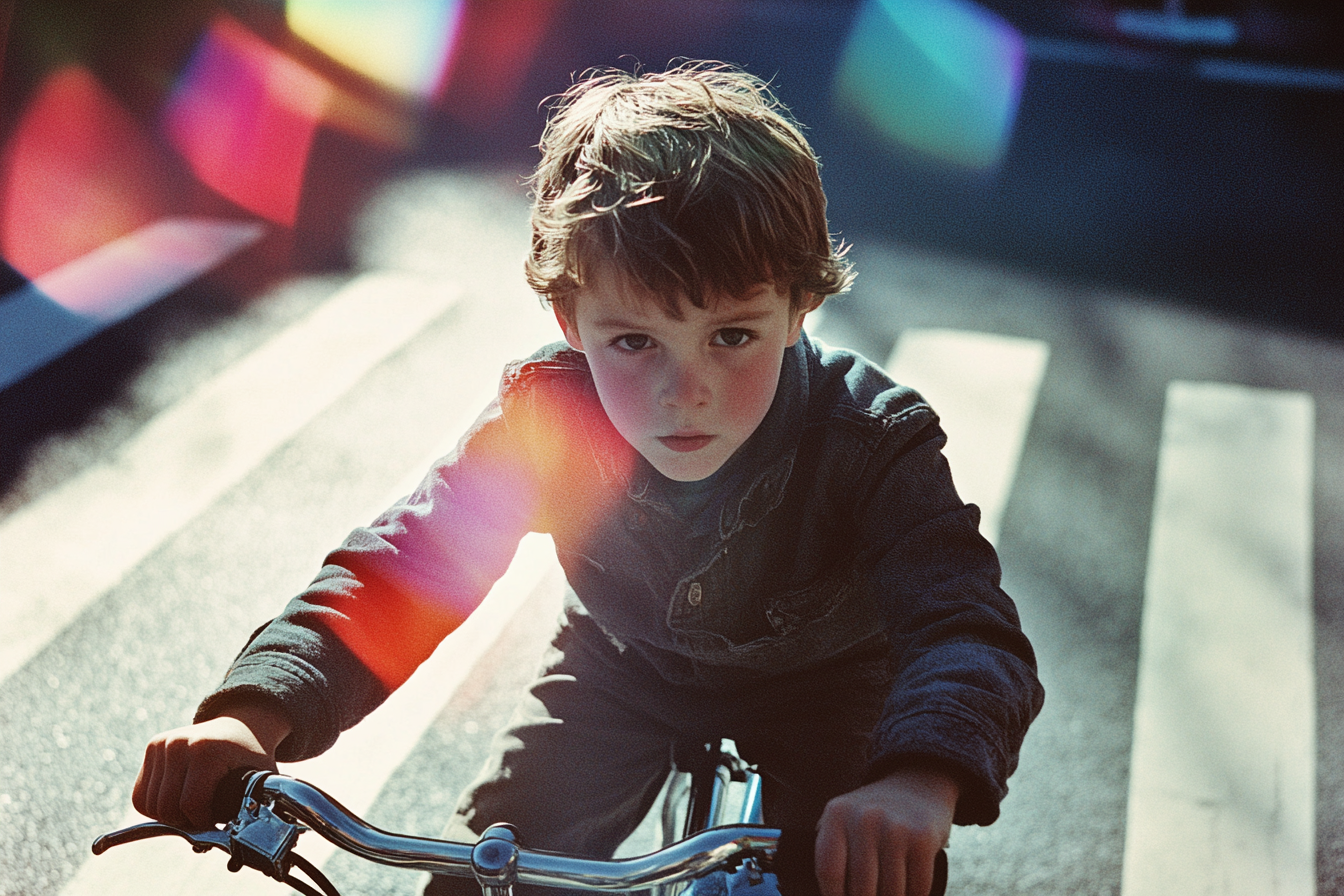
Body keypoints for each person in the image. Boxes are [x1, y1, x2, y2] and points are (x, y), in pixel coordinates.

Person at [132, 61, 1044, 896]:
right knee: (485, 876)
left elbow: (966, 631)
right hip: (619, 667)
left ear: (802, 305)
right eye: (633, 342)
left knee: (868, 873)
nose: (686, 394)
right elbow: (407, 565)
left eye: (733, 335)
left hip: (831, 686)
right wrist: (251, 716)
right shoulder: (549, 418)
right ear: (569, 317)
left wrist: (919, 780)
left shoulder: (871, 440)